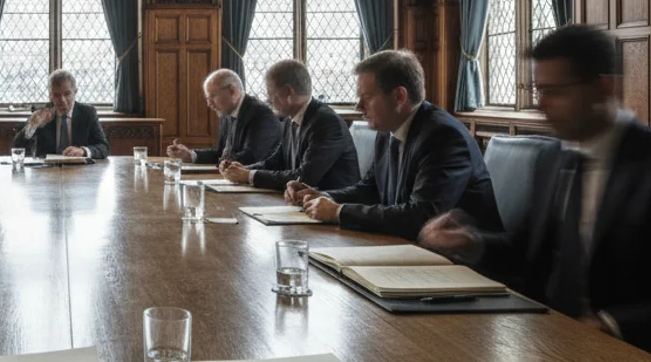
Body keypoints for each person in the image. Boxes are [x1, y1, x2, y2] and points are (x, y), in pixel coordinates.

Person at [420, 25, 651, 351]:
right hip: (547, 338)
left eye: (554, 92)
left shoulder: (644, 163)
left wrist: (611, 325)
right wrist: (472, 243)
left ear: (604, 87)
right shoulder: (553, 158)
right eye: (537, 90)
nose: (540, 106)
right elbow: (528, 253)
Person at [288, 49, 503, 240]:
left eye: (367, 97)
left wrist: (339, 212)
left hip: (464, 266)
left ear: (399, 97)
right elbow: (370, 189)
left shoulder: (443, 136)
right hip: (411, 251)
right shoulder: (387, 132)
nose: (358, 106)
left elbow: (421, 216)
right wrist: (323, 196)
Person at [220, 59, 359, 191]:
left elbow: (305, 177)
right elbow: (276, 162)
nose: (267, 100)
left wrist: (248, 176)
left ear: (287, 93)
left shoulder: (327, 123)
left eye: (269, 93)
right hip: (302, 203)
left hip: (331, 206)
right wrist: (242, 170)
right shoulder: (289, 119)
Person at [165, 69, 281, 166]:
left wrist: (219, 164)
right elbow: (221, 154)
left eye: (213, 97)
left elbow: (250, 158)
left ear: (232, 91)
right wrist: (190, 155)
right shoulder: (226, 114)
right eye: (207, 98)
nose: (209, 104)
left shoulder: (260, 114)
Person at [12, 70, 109, 159]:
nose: (62, 100)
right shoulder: (42, 113)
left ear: (75, 92)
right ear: (50, 96)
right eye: (56, 95)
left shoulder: (88, 113)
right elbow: (16, 148)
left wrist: (83, 151)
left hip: (78, 171)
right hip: (47, 172)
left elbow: (104, 147)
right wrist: (32, 126)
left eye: (67, 94)